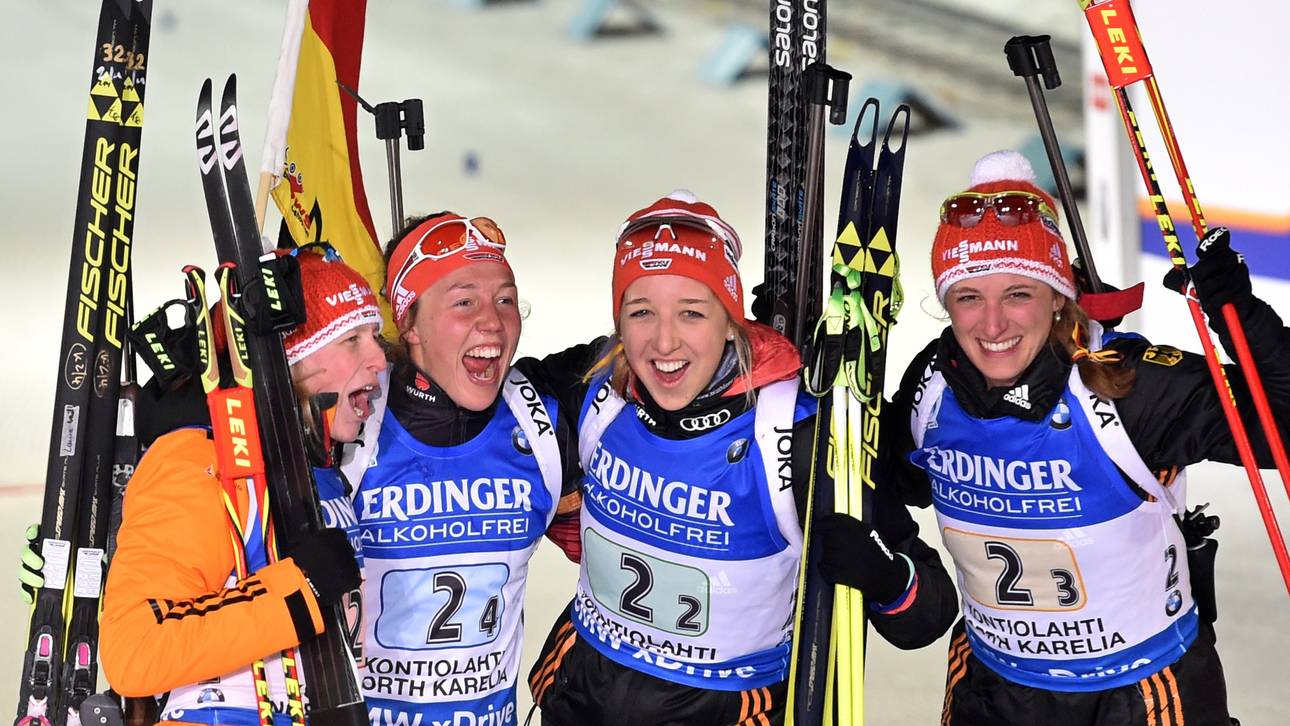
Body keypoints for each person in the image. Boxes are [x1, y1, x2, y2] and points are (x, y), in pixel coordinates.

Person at [526, 191, 958, 725]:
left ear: (730, 320)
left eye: (692, 312)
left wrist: (889, 579)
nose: (664, 342)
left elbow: (928, 613)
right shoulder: (595, 385)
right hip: (581, 701)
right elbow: (482, 408)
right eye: (641, 312)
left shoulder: (792, 431)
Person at [889, 150, 1289, 725]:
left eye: (1019, 294)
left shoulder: (1127, 385)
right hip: (995, 688)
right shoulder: (935, 378)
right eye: (969, 297)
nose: (993, 325)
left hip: (1143, 692)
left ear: (1058, 297)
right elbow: (900, 478)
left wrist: (1245, 320)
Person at [94, 249, 381, 723]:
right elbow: (134, 650)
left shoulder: (324, 463)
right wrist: (300, 587)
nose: (377, 359)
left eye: (374, 337)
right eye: (351, 339)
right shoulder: (200, 460)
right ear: (291, 361)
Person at [345, 213, 581, 726]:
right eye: (464, 300)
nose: (493, 321)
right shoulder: (349, 418)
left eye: (505, 299)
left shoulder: (540, 416)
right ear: (407, 323)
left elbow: (656, 349)